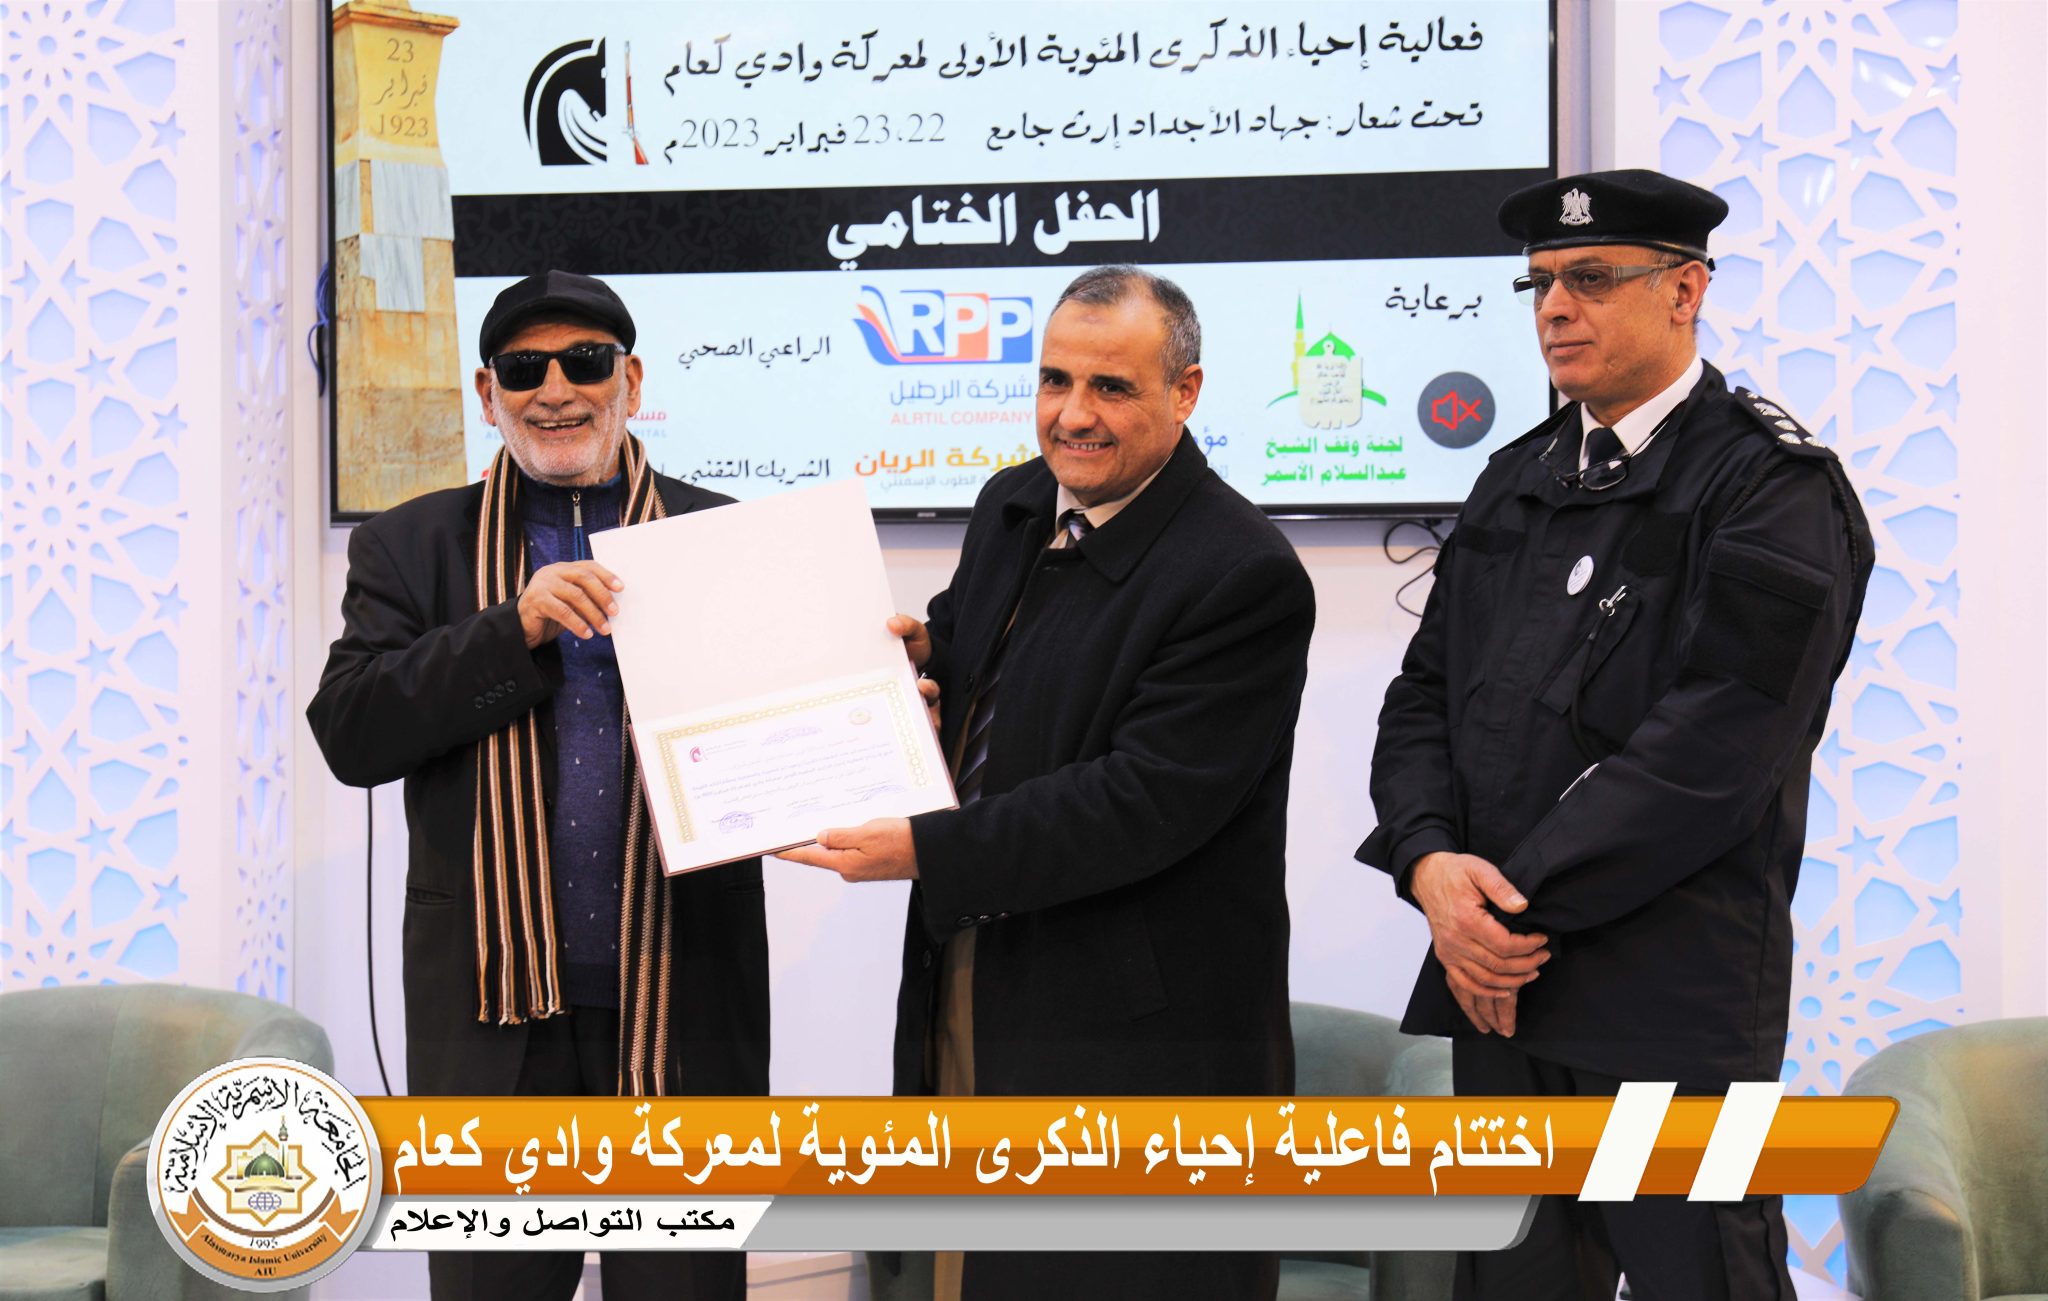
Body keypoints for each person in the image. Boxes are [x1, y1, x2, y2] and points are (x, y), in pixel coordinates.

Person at [1357, 169, 1873, 1300]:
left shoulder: (1770, 488)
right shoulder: (1515, 479)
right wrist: (1429, 865)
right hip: (1502, 995)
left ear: (1685, 291)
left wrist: (1500, 911)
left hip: (1664, 1002)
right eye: (1540, 283)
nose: (1554, 307)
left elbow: (1714, 750)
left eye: (1590, 278)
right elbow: (1422, 698)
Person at [783, 265, 1316, 1300]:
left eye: (1111, 387)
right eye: (1054, 380)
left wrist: (923, 848)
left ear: (1185, 392)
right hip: (981, 966)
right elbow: (982, 655)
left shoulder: (1241, 572)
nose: (1073, 415)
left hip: (1135, 1036)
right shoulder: (1017, 503)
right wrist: (918, 668)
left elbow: (1141, 800)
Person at [306, 270, 767, 1301]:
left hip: (681, 997)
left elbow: (784, 730)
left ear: (630, 381)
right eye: (524, 369)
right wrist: (508, 628)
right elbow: (350, 731)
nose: (555, 389)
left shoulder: (722, 536)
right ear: (488, 394)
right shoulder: (412, 545)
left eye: (585, 362)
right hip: (492, 1006)